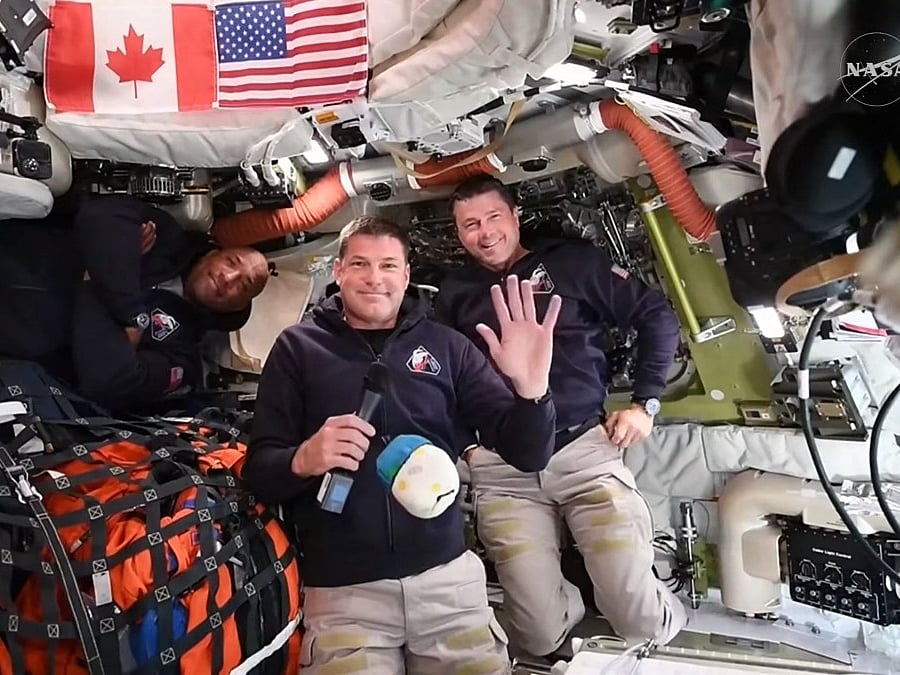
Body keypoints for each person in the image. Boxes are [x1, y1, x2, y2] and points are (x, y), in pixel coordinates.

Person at [244, 215, 561, 674]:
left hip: (447, 584)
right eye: (361, 264)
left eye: (389, 265)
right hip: (345, 596)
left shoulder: (448, 348)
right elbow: (259, 474)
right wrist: (304, 457)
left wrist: (533, 394)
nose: (375, 278)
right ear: (339, 271)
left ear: (407, 275)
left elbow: (529, 453)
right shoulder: (298, 349)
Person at [434, 174, 687, 657]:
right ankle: (567, 609)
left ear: (514, 216)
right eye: (470, 225)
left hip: (583, 454)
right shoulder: (455, 294)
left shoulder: (571, 263)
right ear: (458, 233)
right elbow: (443, 379)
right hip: (502, 469)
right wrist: (464, 446)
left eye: (492, 218)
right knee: (535, 636)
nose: (484, 233)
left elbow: (656, 316)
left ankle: (650, 602)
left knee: (640, 621)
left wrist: (645, 404)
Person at [0, 195, 269, 411]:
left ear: (236, 307)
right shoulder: (168, 235)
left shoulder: (181, 357)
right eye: (232, 262)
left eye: (243, 286)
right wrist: (129, 316)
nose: (229, 278)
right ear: (213, 254)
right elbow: (100, 216)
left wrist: (100, 274)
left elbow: (107, 381)